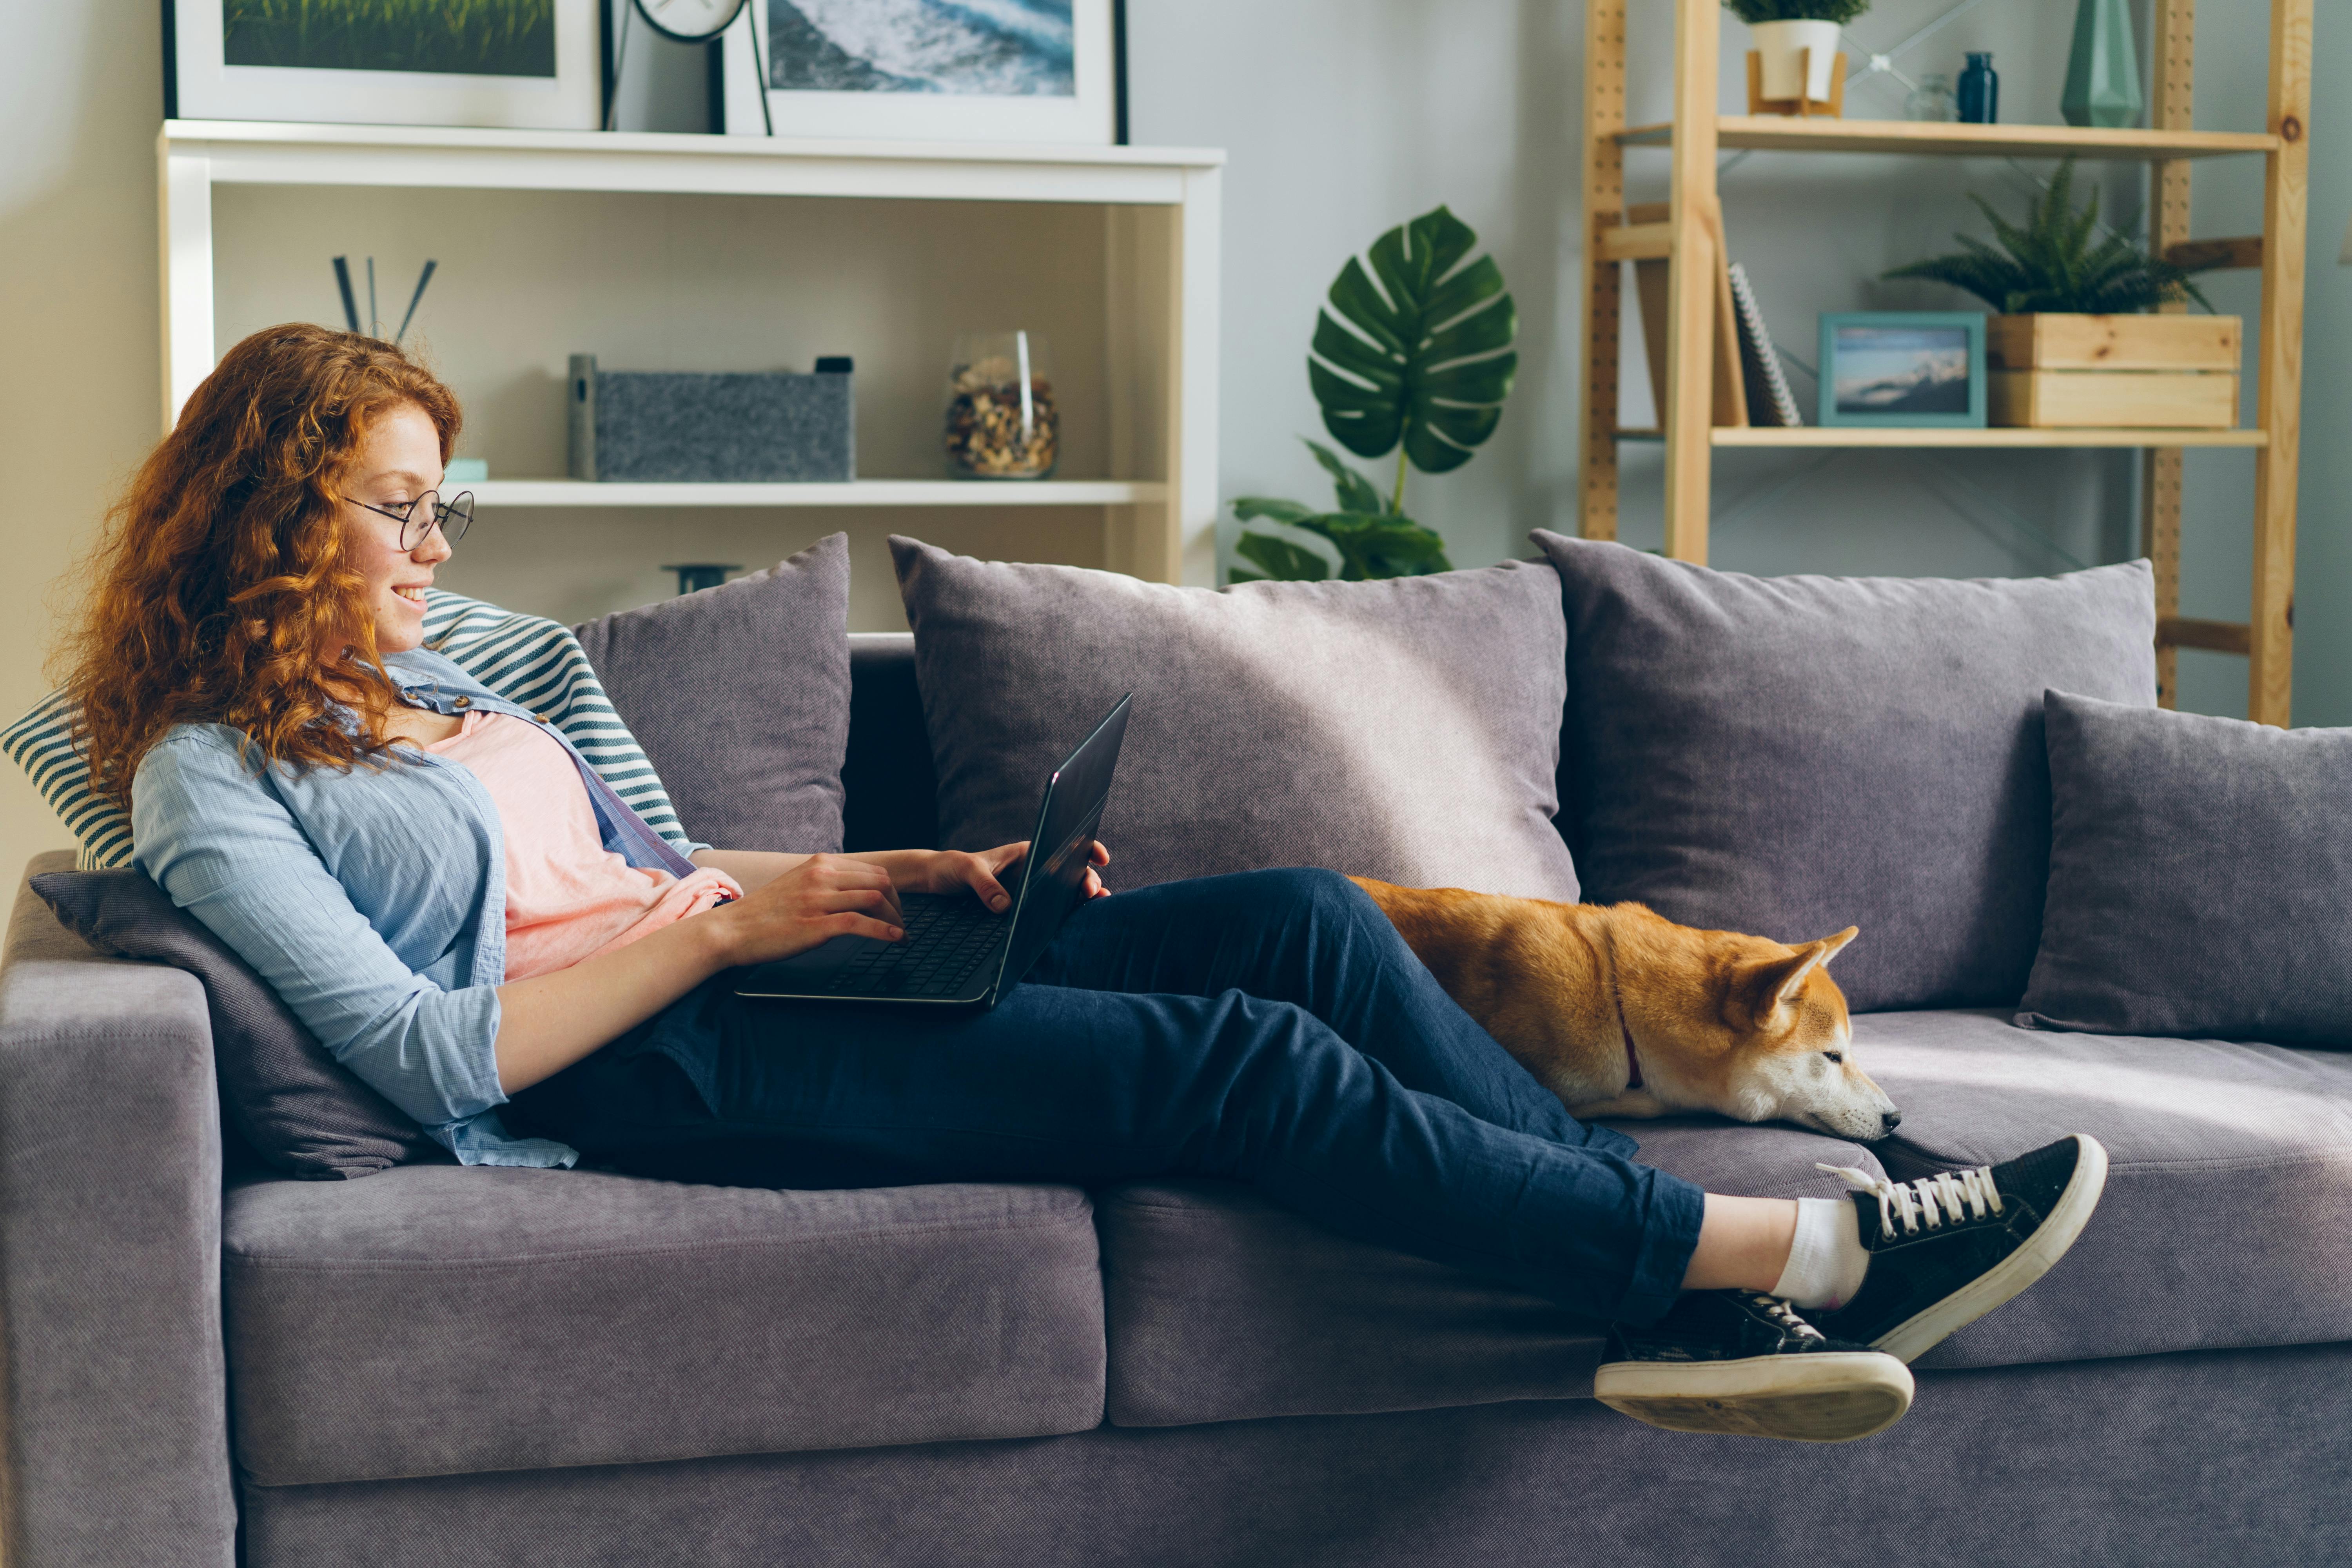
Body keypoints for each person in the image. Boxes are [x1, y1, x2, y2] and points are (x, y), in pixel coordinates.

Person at [70, 324, 2104, 1444]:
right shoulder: (202, 775)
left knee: (1306, 917)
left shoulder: (447, 675)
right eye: (399, 510)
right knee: (1237, 1062)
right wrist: (726, 936)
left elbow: (640, 866)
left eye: (444, 506)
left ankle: (1666, 1294)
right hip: (651, 1067)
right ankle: (1790, 1259)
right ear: (274, 515)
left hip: (739, 963)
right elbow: (429, 1054)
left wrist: (885, 874)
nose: (438, 546)